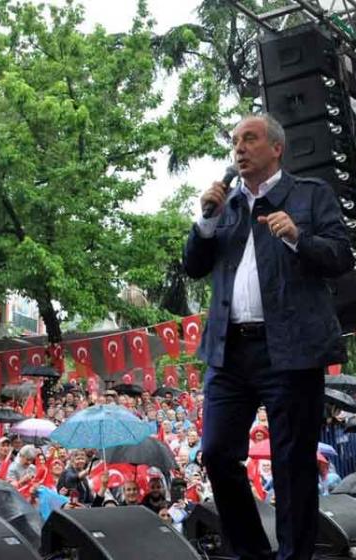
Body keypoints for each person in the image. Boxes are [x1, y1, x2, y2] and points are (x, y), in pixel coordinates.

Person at [183, 113, 354, 560]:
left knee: (293, 465)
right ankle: (253, 554)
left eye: (250, 139)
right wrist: (204, 223)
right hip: (230, 350)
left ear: (276, 148)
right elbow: (194, 266)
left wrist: (299, 237)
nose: (239, 148)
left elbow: (341, 256)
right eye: (235, 141)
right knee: (217, 453)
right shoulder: (228, 205)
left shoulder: (309, 196)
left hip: (292, 349)